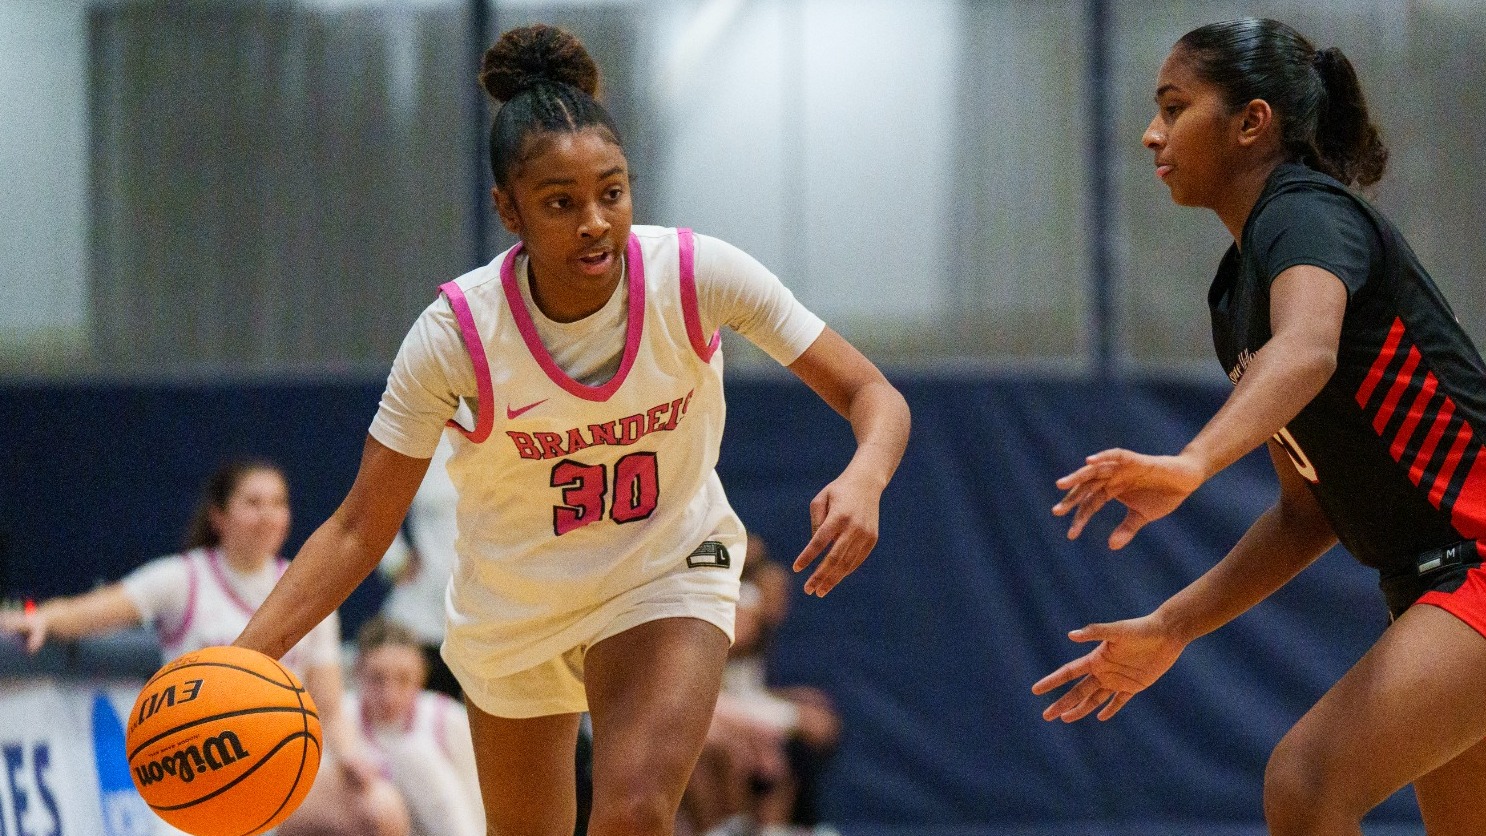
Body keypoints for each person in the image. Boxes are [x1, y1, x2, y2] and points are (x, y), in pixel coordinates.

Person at [232, 22, 910, 836]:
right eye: (561, 201)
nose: (594, 220)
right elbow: (356, 527)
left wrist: (866, 474)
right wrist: (245, 657)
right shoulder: (456, 337)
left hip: (665, 571)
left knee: (631, 812)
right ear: (507, 209)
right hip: (514, 608)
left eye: (612, 192)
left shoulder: (696, 277)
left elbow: (874, 394)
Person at [1034, 17, 1486, 836]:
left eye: (1175, 107)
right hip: (1431, 587)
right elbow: (1306, 513)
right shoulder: (1237, 291)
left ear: (1252, 123)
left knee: (1307, 785)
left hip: (1476, 568)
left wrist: (1193, 462)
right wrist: (1174, 625)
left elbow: (1309, 350)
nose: (1150, 133)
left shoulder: (1303, 212)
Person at [0, 459, 410, 836]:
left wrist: (353, 756)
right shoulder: (184, 578)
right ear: (219, 516)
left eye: (278, 503)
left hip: (275, 765)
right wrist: (45, 618)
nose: (268, 514)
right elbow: (102, 608)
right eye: (253, 503)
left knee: (381, 807)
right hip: (198, 765)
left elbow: (331, 707)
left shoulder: (311, 589)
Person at [682, 534, 841, 836]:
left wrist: (787, 698)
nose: (781, 598)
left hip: (732, 701)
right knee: (743, 741)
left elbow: (742, 684)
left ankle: (772, 827)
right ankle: (728, 826)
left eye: (785, 591)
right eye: (774, 589)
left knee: (813, 722)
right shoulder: (727, 604)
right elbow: (725, 653)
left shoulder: (756, 616)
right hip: (701, 703)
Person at [350, 617, 485, 836]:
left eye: (403, 679)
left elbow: (476, 804)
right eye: (377, 678)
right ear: (358, 673)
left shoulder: (447, 718)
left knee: (413, 753)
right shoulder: (341, 722)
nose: (389, 695)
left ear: (421, 675)